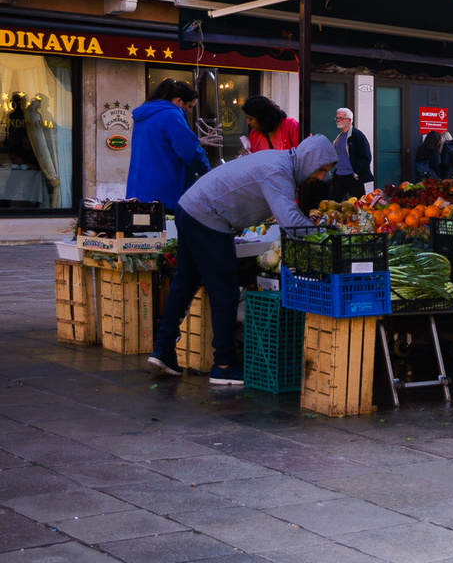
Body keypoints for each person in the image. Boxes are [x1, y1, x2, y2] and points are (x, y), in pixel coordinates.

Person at [149, 135, 336, 385]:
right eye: (321, 169)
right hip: (208, 217)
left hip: (190, 207)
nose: (320, 176)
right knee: (224, 290)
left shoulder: (279, 162)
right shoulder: (278, 173)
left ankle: (163, 350)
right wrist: (326, 238)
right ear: (310, 160)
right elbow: (290, 222)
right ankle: (224, 364)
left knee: (186, 280)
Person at [126, 79, 211, 214]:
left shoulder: (143, 117)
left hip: (138, 191)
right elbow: (190, 151)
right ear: (178, 101)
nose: (189, 111)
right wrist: (207, 171)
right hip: (164, 193)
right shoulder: (172, 116)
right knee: (168, 233)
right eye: (189, 106)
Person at [330, 107, 372, 200]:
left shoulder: (357, 135)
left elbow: (366, 157)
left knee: (362, 204)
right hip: (339, 176)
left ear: (349, 120)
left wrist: (357, 173)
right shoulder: (339, 137)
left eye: (341, 118)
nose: (337, 120)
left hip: (353, 177)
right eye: (337, 118)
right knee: (333, 204)